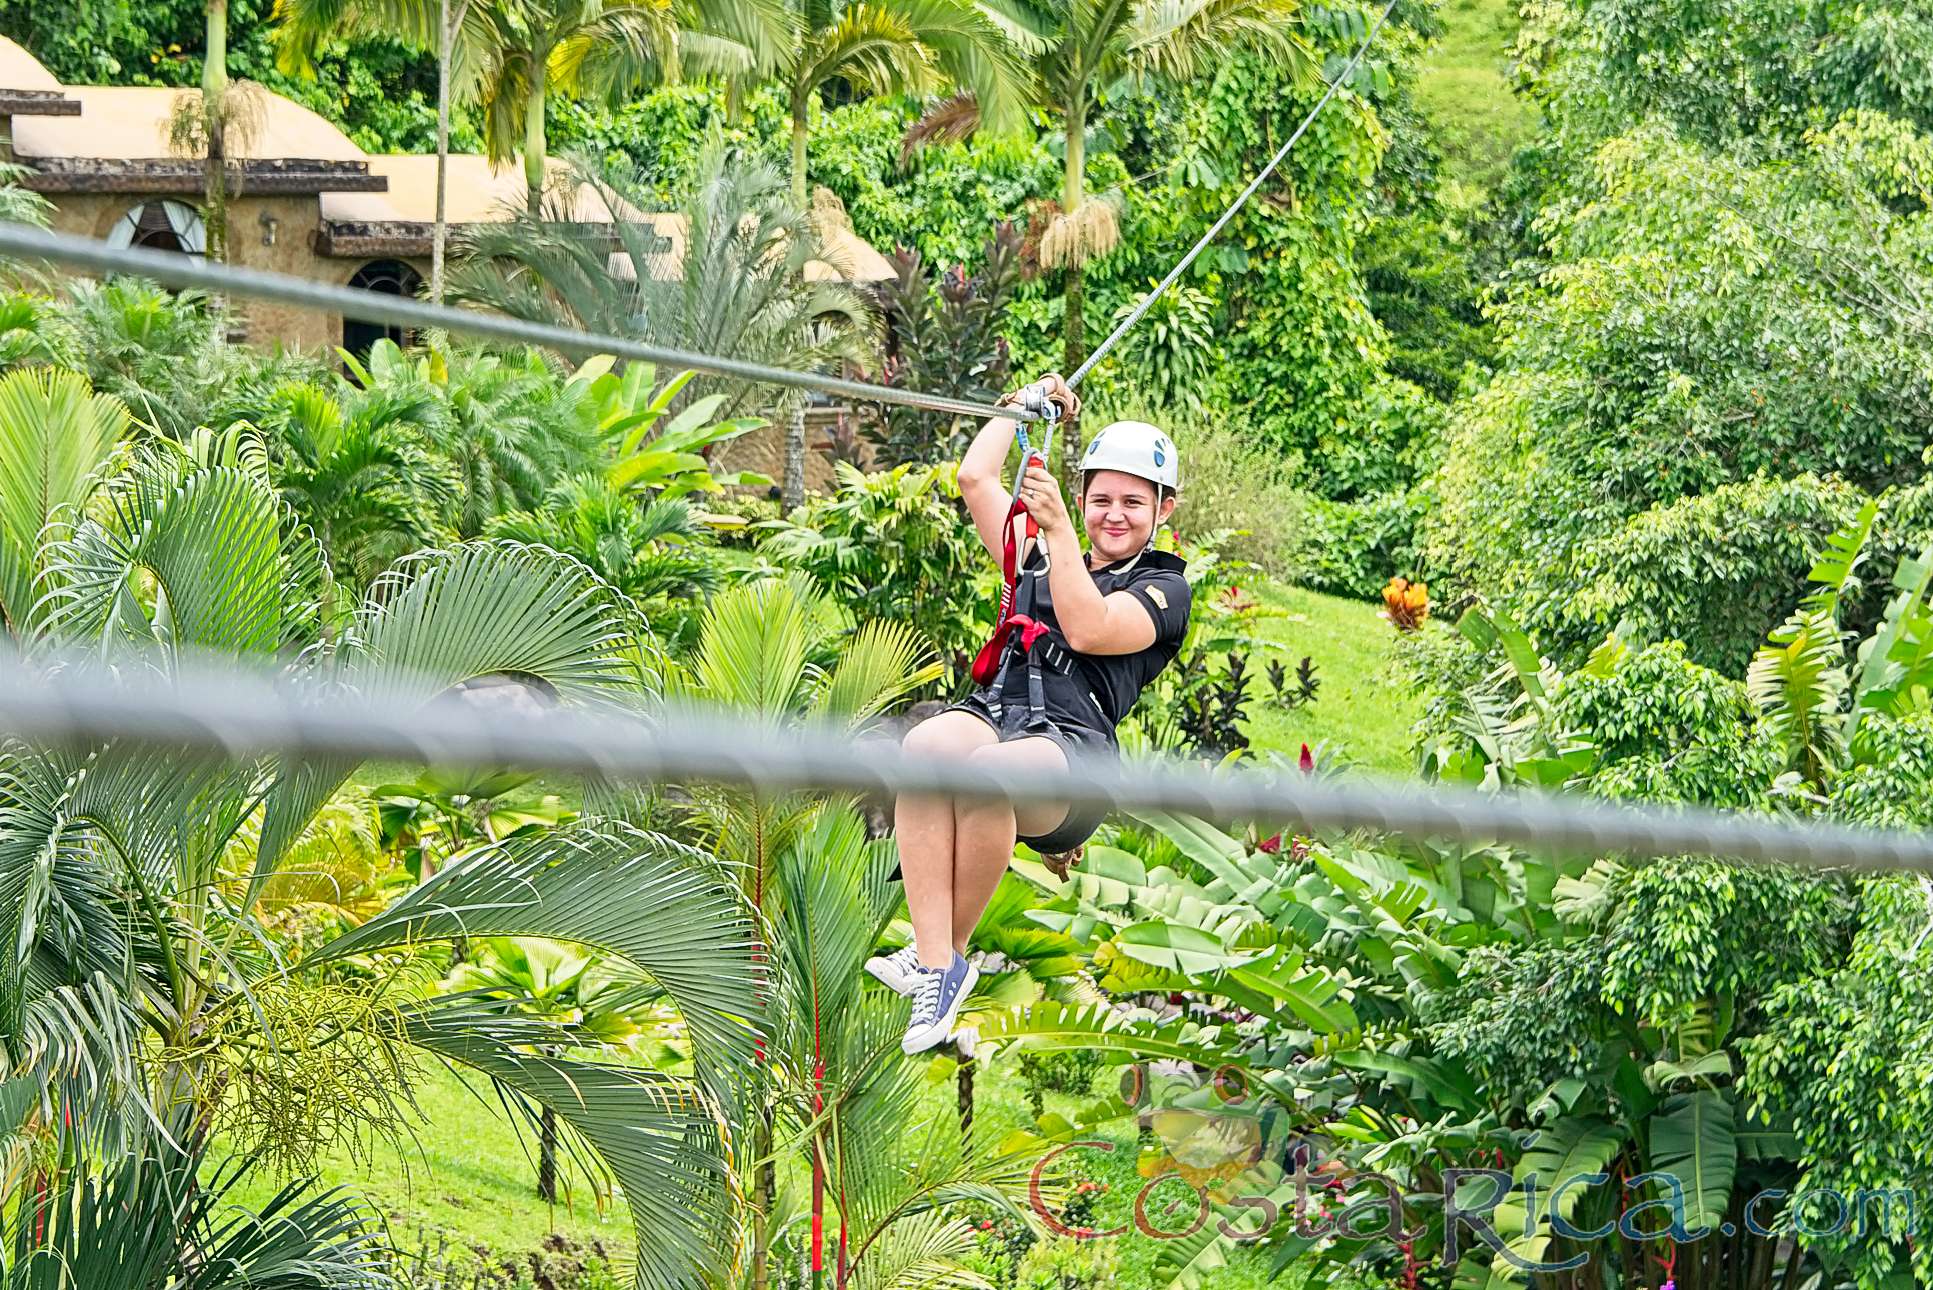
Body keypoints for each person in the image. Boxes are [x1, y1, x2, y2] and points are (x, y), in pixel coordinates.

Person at [869, 372, 1193, 1054]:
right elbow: (975, 479)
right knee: (927, 749)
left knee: (989, 774)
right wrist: (1019, 409)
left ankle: (946, 960)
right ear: (1081, 497)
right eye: (1099, 498)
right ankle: (933, 962)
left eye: (1132, 502)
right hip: (998, 711)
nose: (1113, 513)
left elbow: (1089, 628)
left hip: (1071, 751)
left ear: (1163, 510)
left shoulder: (1164, 589)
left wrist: (1056, 532)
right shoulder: (1041, 557)